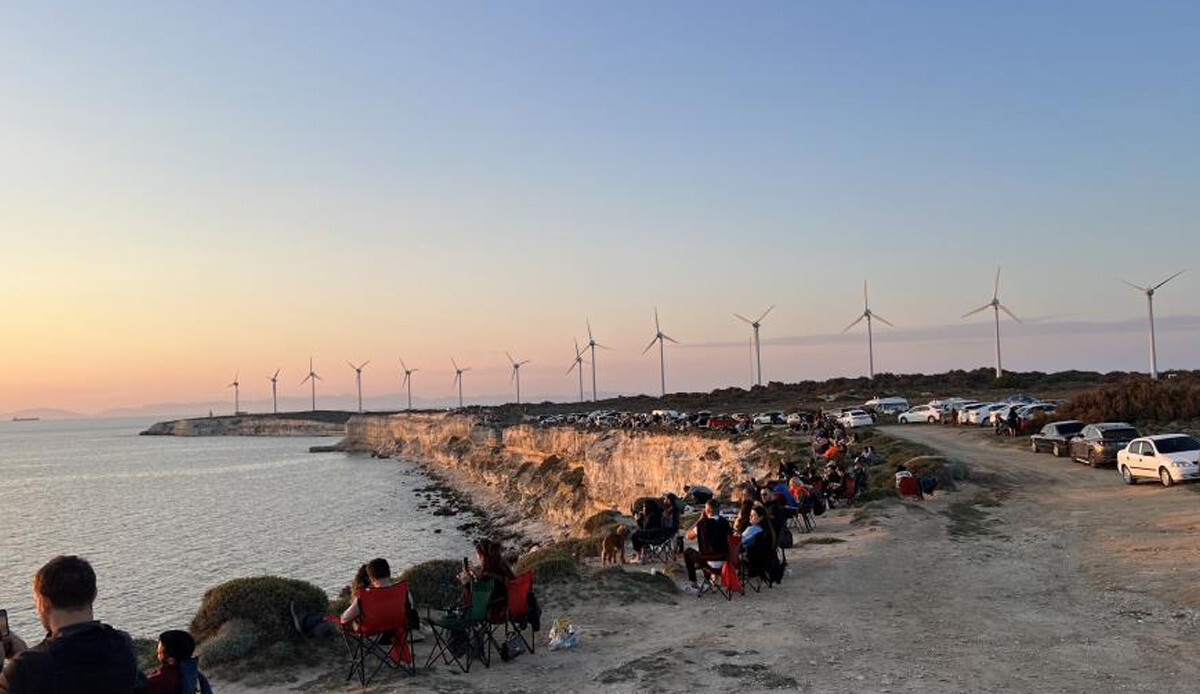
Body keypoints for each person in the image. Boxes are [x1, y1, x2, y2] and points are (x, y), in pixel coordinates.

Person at [0, 555, 144, 694]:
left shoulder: (25, 670)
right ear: (94, 594)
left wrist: (11, 665)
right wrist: (22, 657)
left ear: (44, 603)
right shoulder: (122, 645)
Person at [681, 500, 732, 595]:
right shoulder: (725, 523)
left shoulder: (702, 524)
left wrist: (699, 519)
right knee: (713, 549)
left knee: (688, 552)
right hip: (724, 561)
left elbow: (688, 536)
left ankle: (693, 583)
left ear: (707, 510)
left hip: (708, 562)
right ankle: (712, 581)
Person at [145, 630, 212, 694]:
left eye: (159, 652)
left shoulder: (161, 680)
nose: (157, 652)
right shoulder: (195, 675)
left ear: (171, 660)